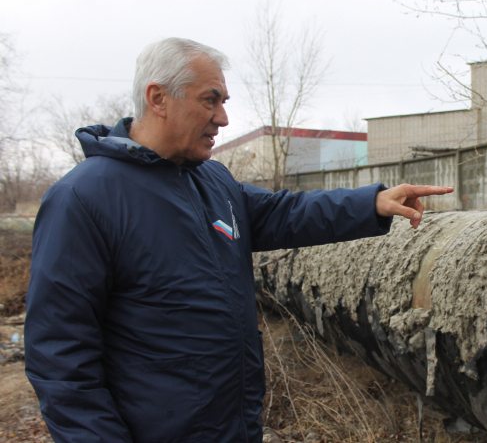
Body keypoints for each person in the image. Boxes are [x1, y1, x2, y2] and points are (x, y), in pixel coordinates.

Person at [24, 37, 453, 443]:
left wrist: (372, 203)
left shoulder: (211, 181)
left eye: (223, 102)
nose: (223, 119)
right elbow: (60, 356)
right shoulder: (84, 199)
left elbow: (282, 213)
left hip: (234, 425)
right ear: (158, 98)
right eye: (210, 100)